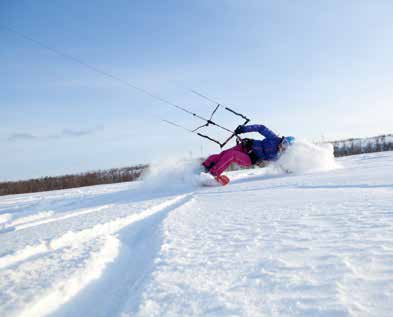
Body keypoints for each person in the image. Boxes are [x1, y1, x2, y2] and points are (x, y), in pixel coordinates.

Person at [202, 124, 295, 184]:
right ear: (283, 139)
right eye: (284, 142)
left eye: (286, 146)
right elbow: (261, 128)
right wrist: (243, 129)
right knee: (224, 154)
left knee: (231, 155)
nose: (283, 146)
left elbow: (282, 165)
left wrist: (290, 171)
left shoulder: (278, 156)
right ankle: (204, 167)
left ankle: (213, 174)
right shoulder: (274, 138)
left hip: (250, 158)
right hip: (246, 146)